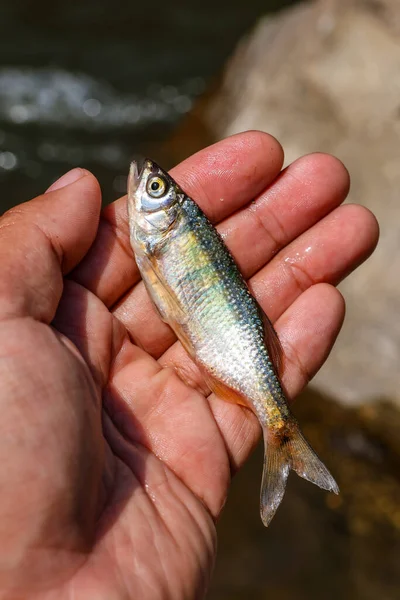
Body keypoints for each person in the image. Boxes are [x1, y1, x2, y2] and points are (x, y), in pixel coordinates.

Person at [0, 131, 378, 598]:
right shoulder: (155, 235)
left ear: (169, 214)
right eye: (156, 188)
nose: (143, 184)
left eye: (154, 190)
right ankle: (279, 434)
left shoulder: (159, 236)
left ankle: (280, 433)